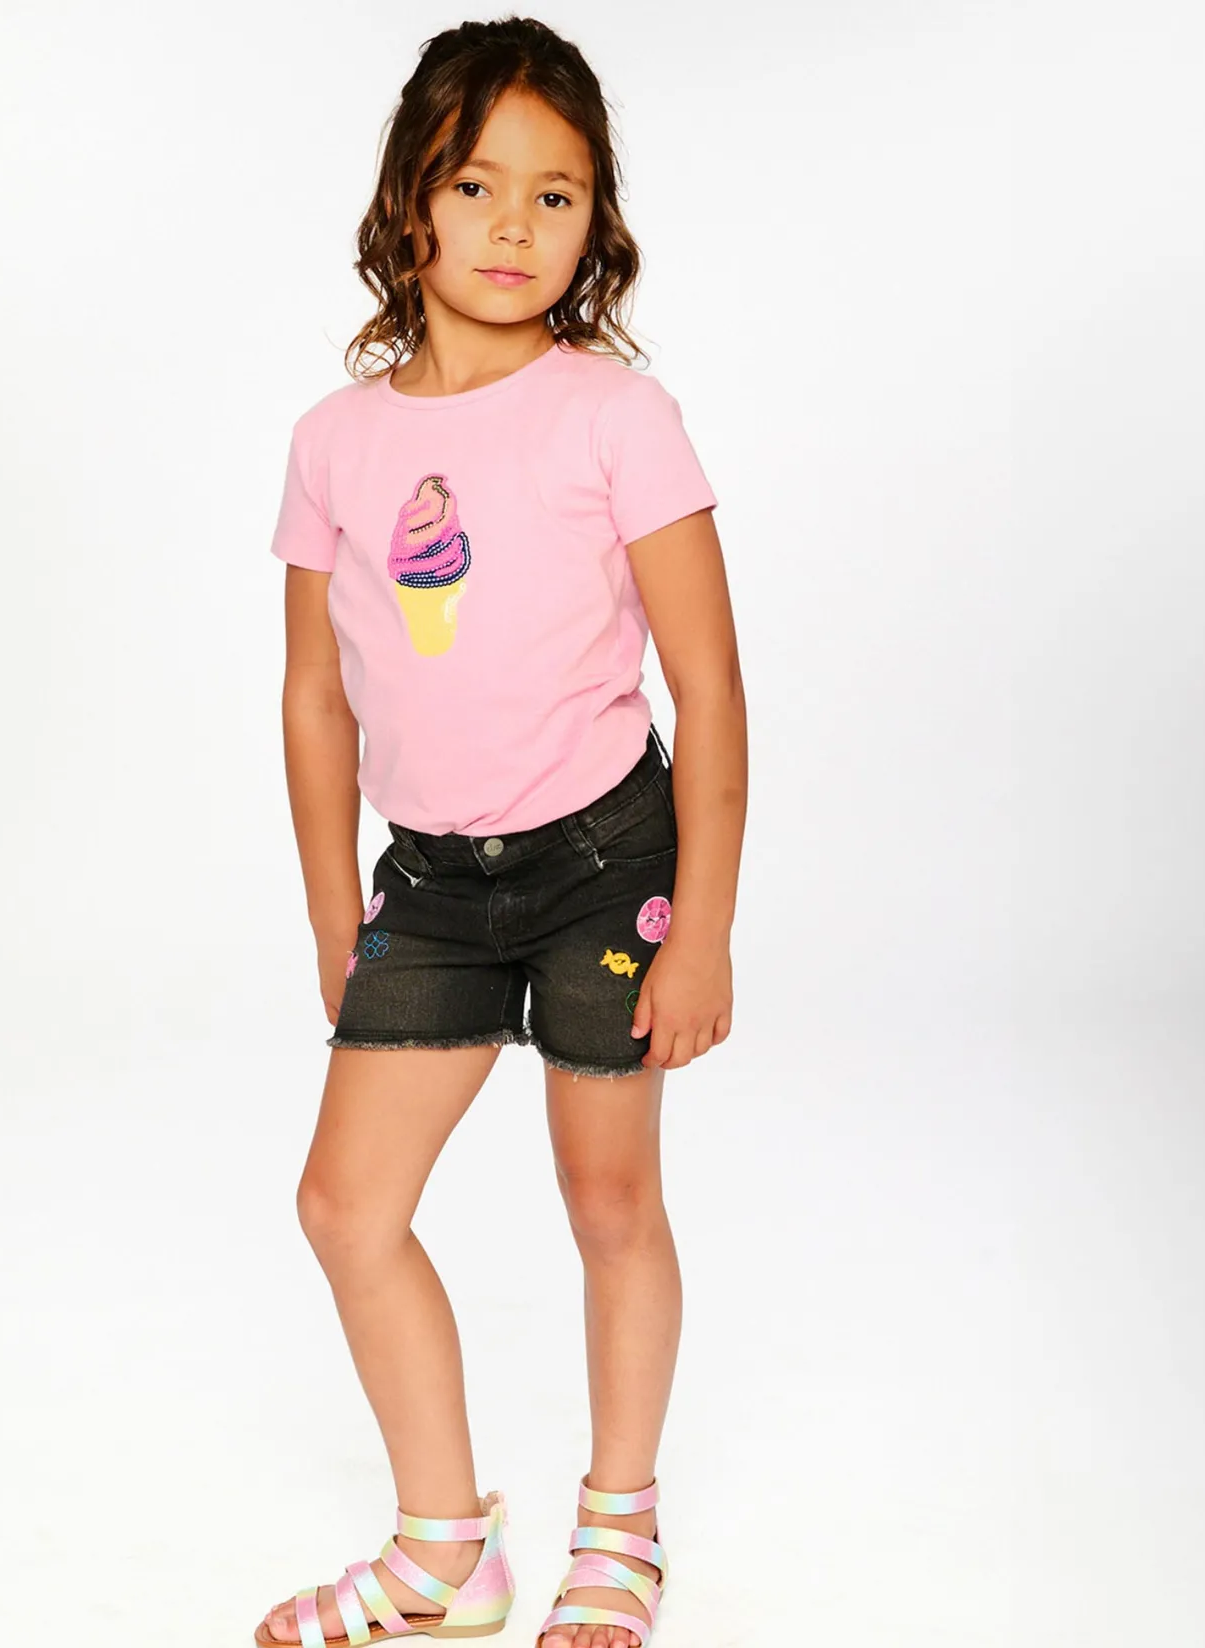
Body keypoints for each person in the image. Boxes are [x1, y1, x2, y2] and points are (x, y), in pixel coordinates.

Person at [257, 18, 746, 1648]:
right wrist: (334, 908)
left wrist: (706, 928)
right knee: (346, 1206)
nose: (517, 225)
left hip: (609, 863)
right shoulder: (336, 443)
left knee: (607, 1200)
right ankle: (444, 1551)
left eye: (558, 194)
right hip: (430, 882)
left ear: (595, 220)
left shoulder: (617, 416)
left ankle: (621, 1524)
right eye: (478, 186)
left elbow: (710, 686)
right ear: (412, 198)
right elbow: (315, 695)